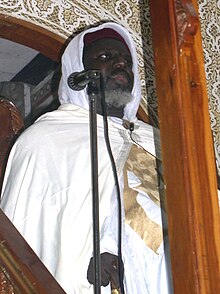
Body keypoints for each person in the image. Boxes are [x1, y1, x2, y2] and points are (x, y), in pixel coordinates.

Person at [0, 22, 171, 293]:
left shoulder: (160, 140)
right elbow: (20, 244)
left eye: (126, 61)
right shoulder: (45, 140)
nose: (120, 65)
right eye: (106, 57)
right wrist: (83, 263)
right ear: (77, 73)